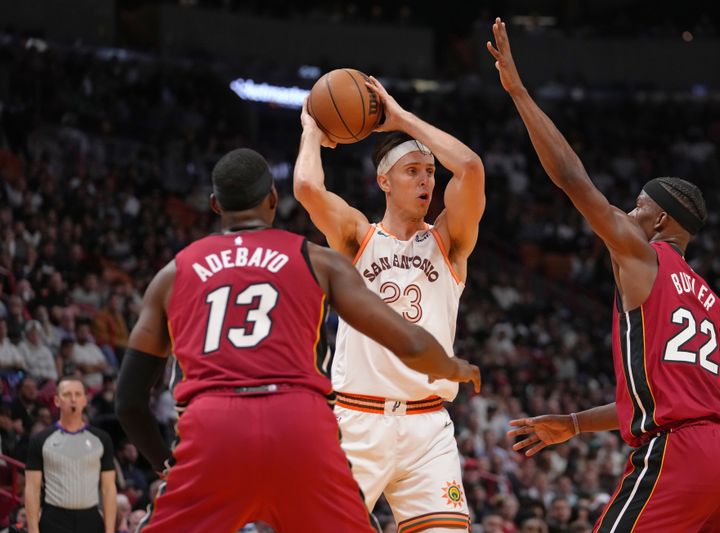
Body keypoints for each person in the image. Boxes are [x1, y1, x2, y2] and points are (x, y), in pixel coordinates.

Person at [114, 148, 480, 533]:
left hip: (211, 423)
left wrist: (165, 464)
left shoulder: (174, 273)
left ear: (215, 204)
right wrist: (452, 367)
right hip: (298, 423)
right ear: (273, 199)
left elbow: (128, 403)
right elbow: (410, 344)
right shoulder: (313, 259)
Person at [488, 18, 720, 532]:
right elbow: (664, 393)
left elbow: (571, 179)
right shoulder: (708, 299)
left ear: (659, 220)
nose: (627, 215)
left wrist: (518, 91)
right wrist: (574, 424)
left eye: (637, 206)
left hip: (683, 453)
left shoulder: (644, 254)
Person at [294, 75, 485, 531]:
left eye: (429, 171)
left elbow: (472, 168)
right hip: (357, 421)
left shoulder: (450, 241)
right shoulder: (357, 235)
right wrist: (311, 131)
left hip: (427, 428)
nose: (425, 180)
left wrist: (398, 118)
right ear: (384, 180)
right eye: (412, 171)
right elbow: (306, 187)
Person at [24, 376, 116, 533]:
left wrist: (110, 530)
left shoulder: (102, 439)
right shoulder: (40, 440)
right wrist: (33, 531)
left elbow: (108, 489)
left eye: (78, 394)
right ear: (57, 401)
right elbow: (32, 489)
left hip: (91, 519)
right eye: (67, 394)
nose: (73, 399)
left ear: (85, 400)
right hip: (54, 520)